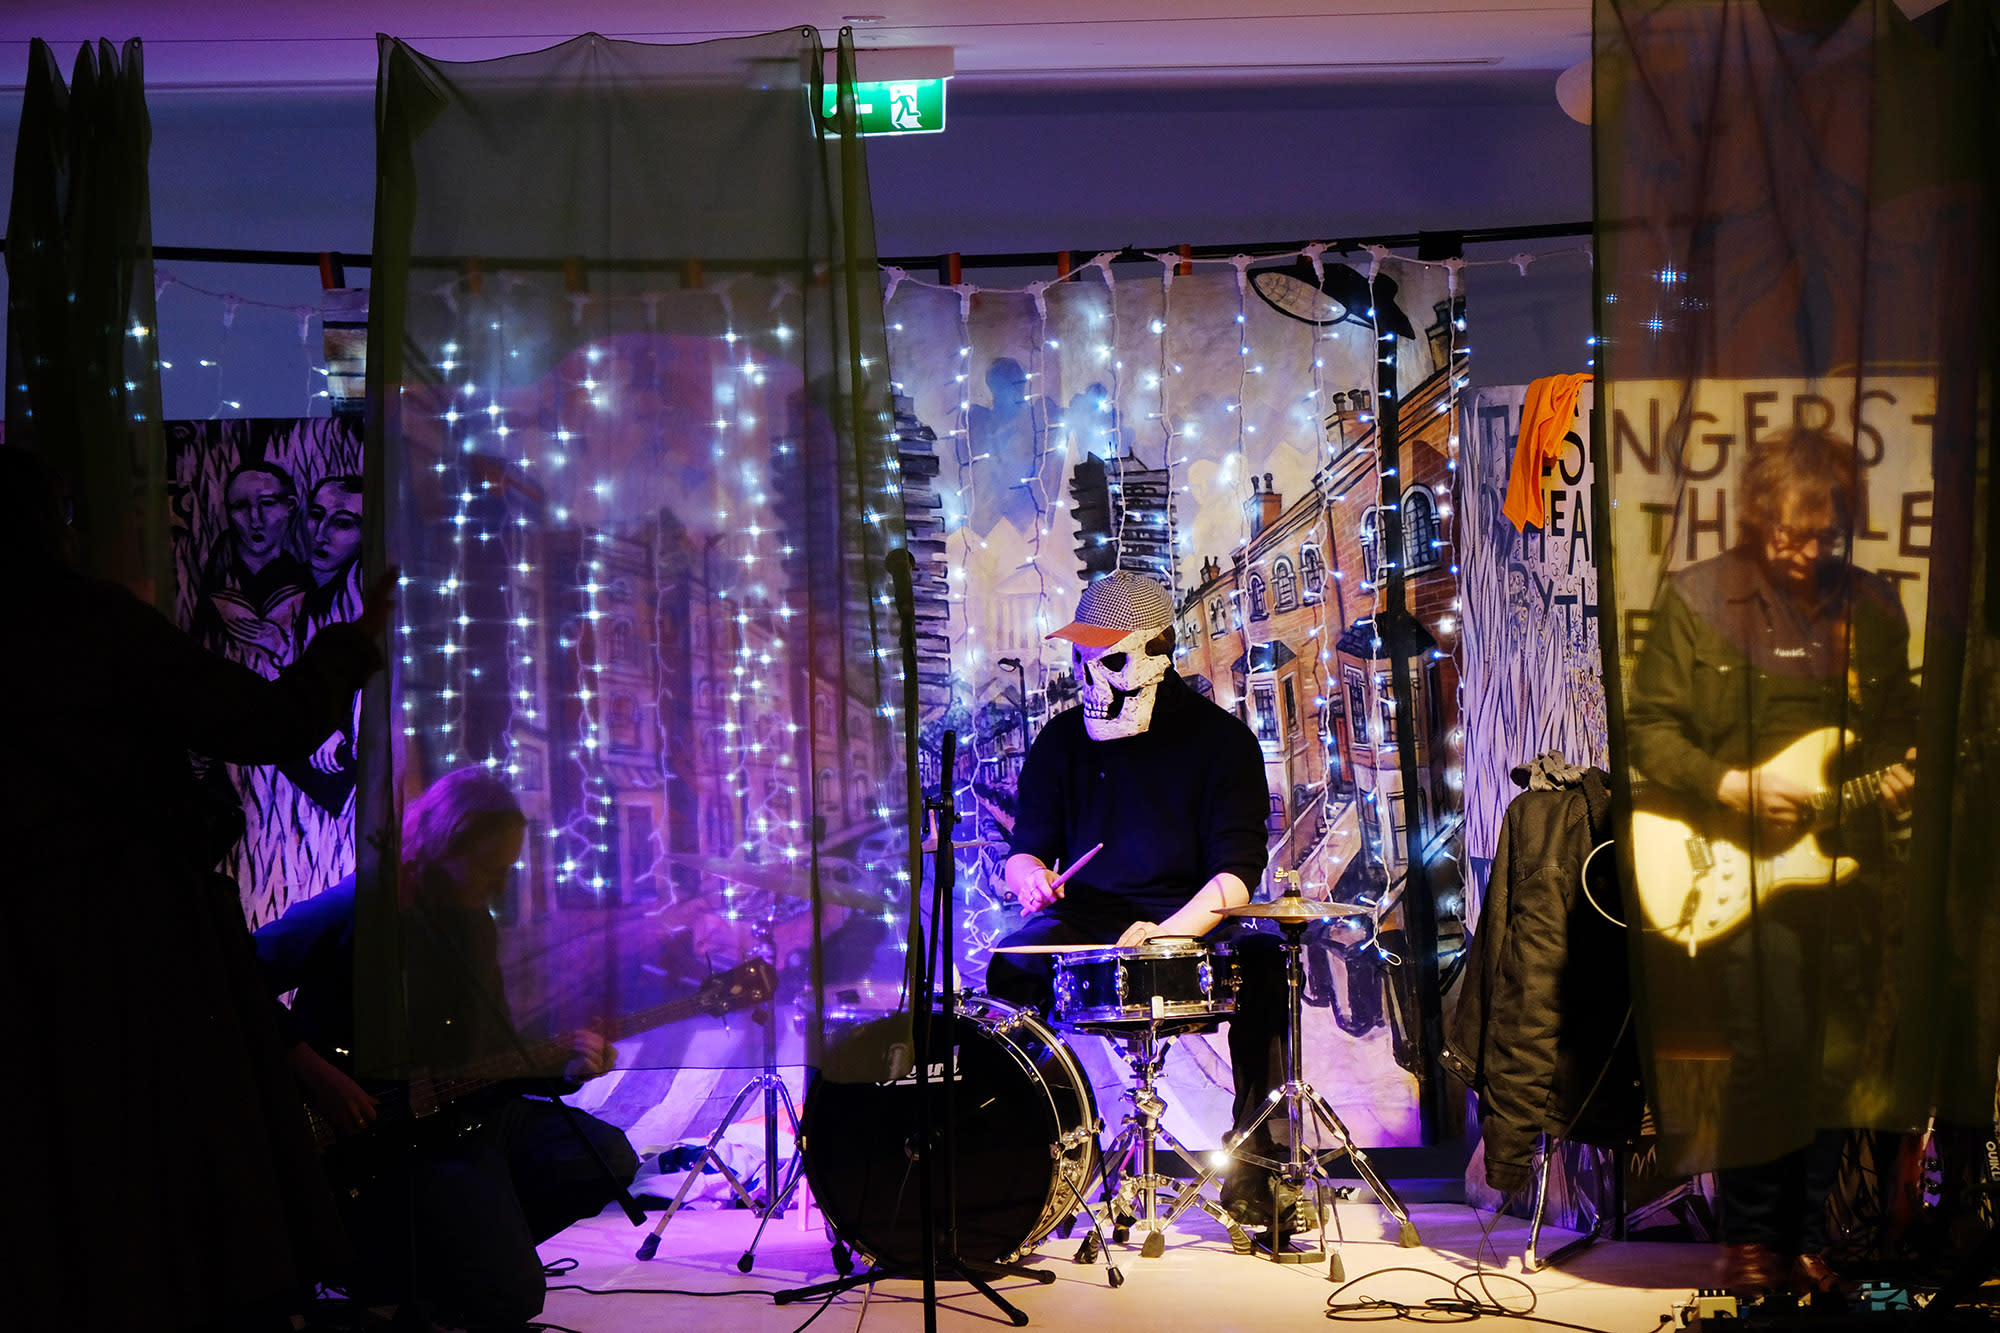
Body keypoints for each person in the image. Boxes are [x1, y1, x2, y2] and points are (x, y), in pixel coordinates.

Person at [0, 444, 392, 1331]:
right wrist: (353, 648)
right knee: (143, 1163)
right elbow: (263, 721)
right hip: (118, 940)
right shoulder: (88, 625)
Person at [1624, 426, 1919, 1298]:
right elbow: (1649, 731)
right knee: (1768, 1050)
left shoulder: (1873, 606)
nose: (1809, 553)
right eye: (1793, 534)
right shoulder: (1700, 598)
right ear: (1759, 518)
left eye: (1827, 535)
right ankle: (1751, 1240)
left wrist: (1903, 775)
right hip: (1734, 861)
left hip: (1842, 869)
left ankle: (1805, 1234)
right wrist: (1729, 783)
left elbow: (1899, 725)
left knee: (1832, 1058)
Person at [254, 767, 639, 1332]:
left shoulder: (472, 925)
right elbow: (233, 977)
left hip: (457, 1117)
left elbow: (490, 1054)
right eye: (487, 867)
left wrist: (569, 1067)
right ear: (441, 844)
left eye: (506, 869)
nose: (499, 884)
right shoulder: (355, 908)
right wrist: (314, 1070)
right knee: (511, 1299)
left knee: (606, 1156)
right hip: (387, 1136)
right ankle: (411, 1262)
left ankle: (438, 1265)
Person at [984, 570, 1294, 1237]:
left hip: (1193, 918)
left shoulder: (1220, 741)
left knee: (1267, 964)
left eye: (1113, 657)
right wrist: (1030, 874)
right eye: (1083, 657)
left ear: (1159, 650)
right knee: (1011, 962)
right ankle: (1033, 1152)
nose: (1094, 674)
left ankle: (1260, 1169)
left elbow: (1236, 875)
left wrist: (1168, 935)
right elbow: (1024, 850)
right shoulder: (1062, 741)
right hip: (1091, 916)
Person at [190, 460, 312, 677]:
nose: (255, 519)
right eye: (240, 506)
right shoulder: (212, 574)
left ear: (290, 506)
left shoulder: (304, 577)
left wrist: (279, 645)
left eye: (267, 503)